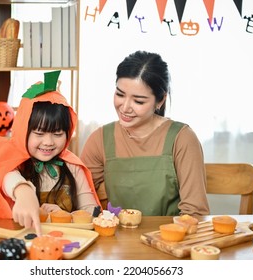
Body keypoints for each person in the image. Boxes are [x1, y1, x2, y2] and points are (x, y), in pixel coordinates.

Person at [0, 70, 101, 236]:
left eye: (58, 134)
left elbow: (92, 213)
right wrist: (24, 192)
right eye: (39, 133)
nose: (48, 142)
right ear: (24, 130)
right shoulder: (13, 163)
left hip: (66, 244)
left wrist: (66, 216)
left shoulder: (73, 168)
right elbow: (5, 176)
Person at [80, 50, 210, 216]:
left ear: (160, 100)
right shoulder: (100, 139)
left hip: (170, 238)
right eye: (120, 94)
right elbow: (80, 195)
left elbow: (195, 212)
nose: (125, 107)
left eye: (138, 101)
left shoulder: (182, 138)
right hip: (117, 239)